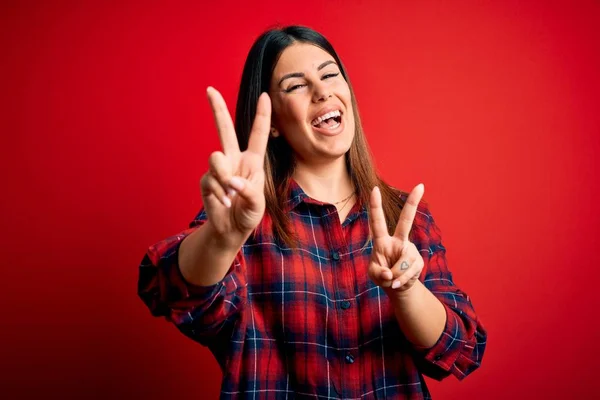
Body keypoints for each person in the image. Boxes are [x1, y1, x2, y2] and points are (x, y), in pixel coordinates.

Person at [137, 25, 487, 399]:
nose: (322, 92)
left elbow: (460, 350)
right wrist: (223, 239)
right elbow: (173, 293)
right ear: (271, 122)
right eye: (296, 86)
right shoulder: (244, 216)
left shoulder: (404, 218)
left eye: (329, 74)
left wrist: (406, 288)